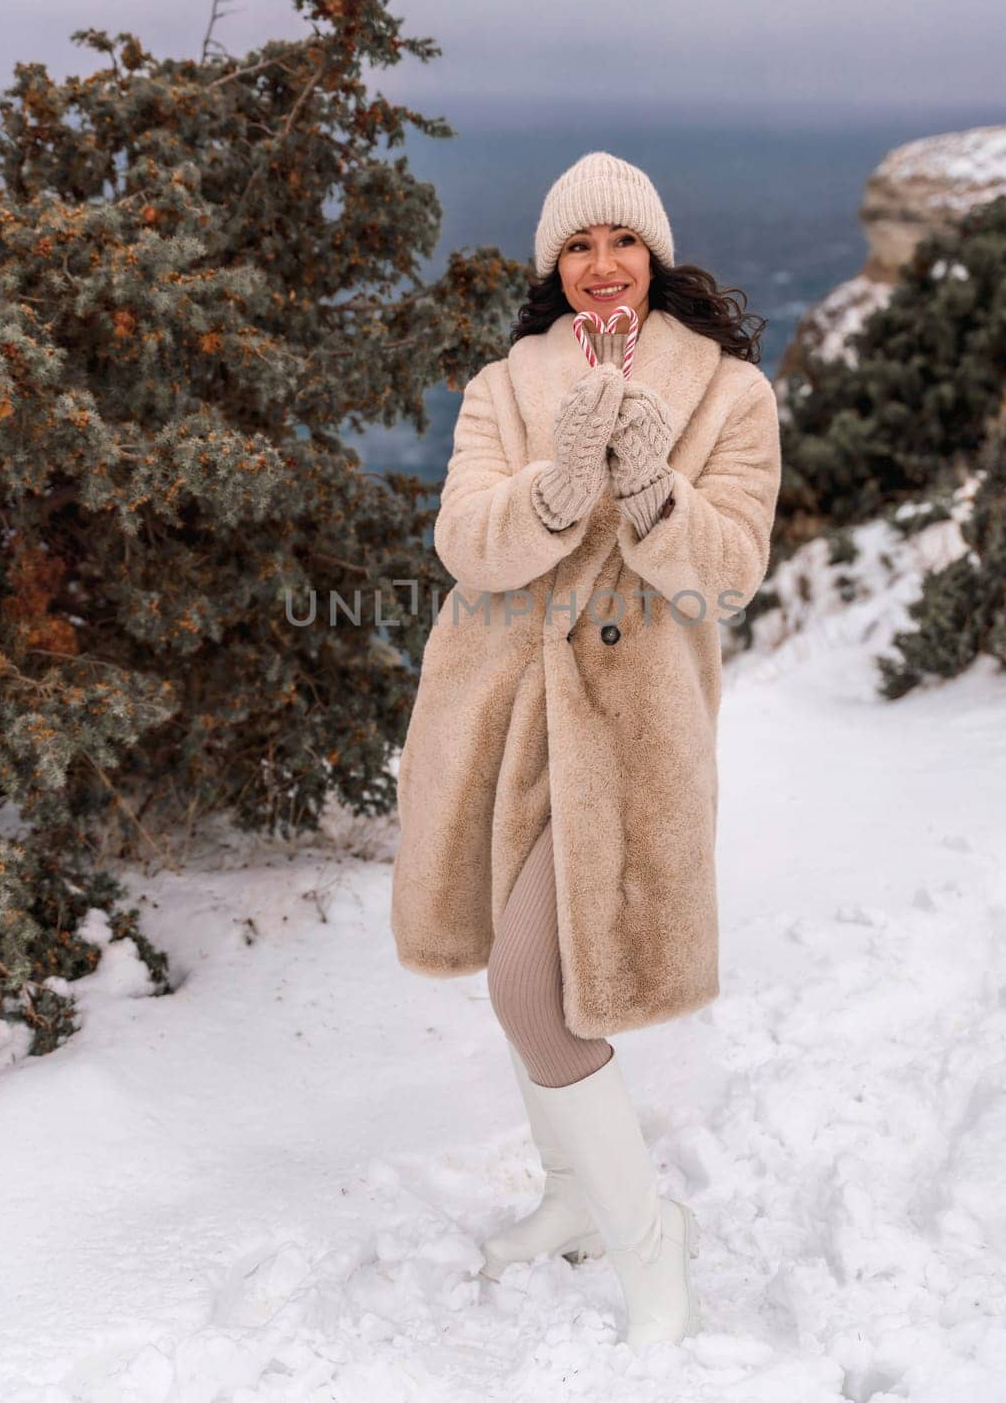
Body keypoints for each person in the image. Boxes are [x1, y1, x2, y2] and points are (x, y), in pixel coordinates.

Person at [391, 151, 782, 1352]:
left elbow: (731, 567)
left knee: (528, 981)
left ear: (653, 256)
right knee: (519, 986)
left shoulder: (728, 394)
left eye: (619, 241)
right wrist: (561, 480)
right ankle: (572, 1197)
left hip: (627, 725)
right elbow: (466, 542)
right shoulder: (504, 384)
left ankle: (646, 1237)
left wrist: (648, 479)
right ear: (551, 268)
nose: (598, 266)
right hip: (499, 709)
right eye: (575, 246)